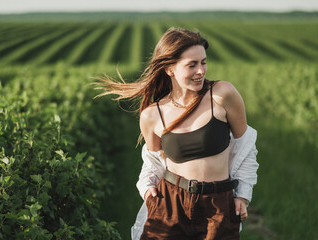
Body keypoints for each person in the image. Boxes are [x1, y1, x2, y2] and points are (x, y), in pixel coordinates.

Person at [96, 27, 258, 240]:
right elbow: (153, 161)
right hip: (170, 203)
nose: (201, 70)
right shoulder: (152, 115)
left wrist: (243, 196)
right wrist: (147, 189)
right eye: (192, 65)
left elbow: (246, 148)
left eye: (203, 62)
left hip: (217, 205)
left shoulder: (222, 95)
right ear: (170, 69)